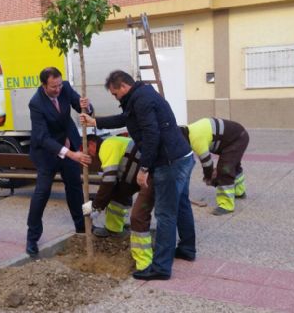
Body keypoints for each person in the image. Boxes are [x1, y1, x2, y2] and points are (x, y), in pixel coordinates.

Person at [81, 70, 195, 281]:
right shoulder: (142, 96)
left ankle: (161, 267)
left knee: (165, 214)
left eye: (115, 94)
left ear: (123, 86)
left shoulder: (141, 100)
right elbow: (124, 118)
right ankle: (187, 248)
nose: (116, 98)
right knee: (181, 204)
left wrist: (144, 169)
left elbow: (152, 135)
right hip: (183, 156)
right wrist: (95, 122)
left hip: (169, 162)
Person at [26, 67, 92, 256]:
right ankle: (32, 238)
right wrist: (71, 154)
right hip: (47, 153)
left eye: (59, 85)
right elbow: (42, 138)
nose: (58, 89)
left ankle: (82, 228)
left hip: (68, 142)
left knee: (74, 188)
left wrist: (86, 106)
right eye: (53, 87)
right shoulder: (36, 103)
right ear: (44, 85)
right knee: (42, 193)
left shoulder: (65, 88)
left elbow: (82, 108)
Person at [81, 135, 155, 272]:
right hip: (134, 174)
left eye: (85, 149)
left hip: (147, 174)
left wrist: (96, 206)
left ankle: (145, 263)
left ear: (92, 144)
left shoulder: (106, 146)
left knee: (139, 216)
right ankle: (114, 229)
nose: (87, 154)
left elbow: (108, 180)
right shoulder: (112, 143)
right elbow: (113, 181)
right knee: (117, 195)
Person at [182, 118, 249, 216]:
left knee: (225, 170)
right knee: (233, 165)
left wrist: (209, 178)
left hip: (237, 139)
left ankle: (226, 205)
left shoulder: (196, 140)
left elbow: (207, 164)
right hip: (236, 136)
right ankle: (239, 192)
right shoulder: (189, 130)